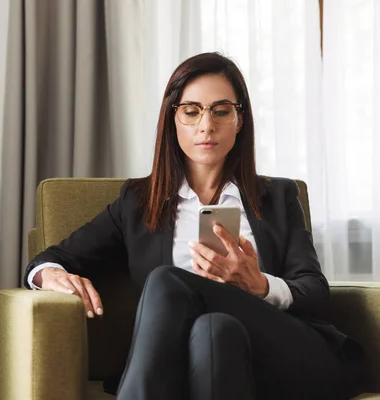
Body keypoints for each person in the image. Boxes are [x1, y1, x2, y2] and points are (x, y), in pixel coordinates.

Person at [23, 52, 367, 400]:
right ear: (173, 119)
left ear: (240, 120)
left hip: (289, 356)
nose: (206, 125)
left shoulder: (278, 197)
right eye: (191, 111)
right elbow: (52, 257)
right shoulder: (137, 202)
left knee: (166, 280)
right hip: (202, 361)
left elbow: (317, 295)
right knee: (214, 331)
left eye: (221, 111)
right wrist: (47, 274)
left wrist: (260, 285)